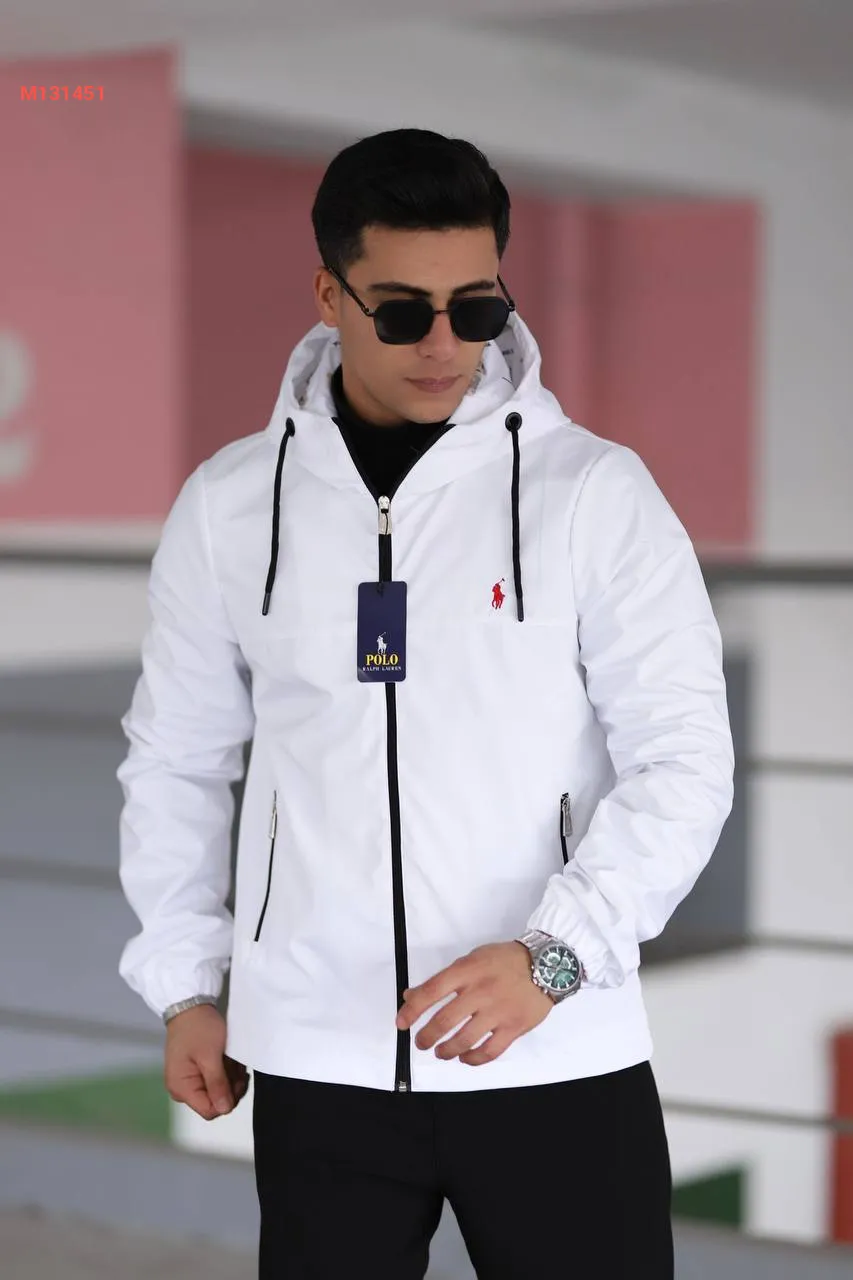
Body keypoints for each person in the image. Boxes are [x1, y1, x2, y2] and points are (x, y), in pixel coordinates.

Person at [117, 128, 734, 1279]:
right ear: (330, 295)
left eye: (477, 307)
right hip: (319, 1056)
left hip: (553, 1047)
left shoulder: (594, 493)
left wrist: (555, 956)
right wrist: (186, 984)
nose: (445, 344)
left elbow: (684, 758)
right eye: (402, 312)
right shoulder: (230, 505)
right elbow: (176, 759)